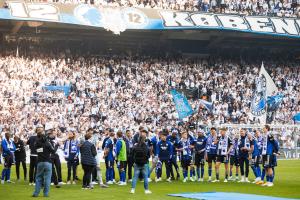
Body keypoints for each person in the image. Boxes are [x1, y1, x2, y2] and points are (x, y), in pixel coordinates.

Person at [32, 125, 58, 197]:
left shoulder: (37, 143)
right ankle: (45, 193)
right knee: (47, 178)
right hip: (48, 162)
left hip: (40, 162)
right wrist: (57, 145)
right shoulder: (47, 143)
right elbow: (53, 151)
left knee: (38, 178)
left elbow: (37, 149)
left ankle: (36, 193)